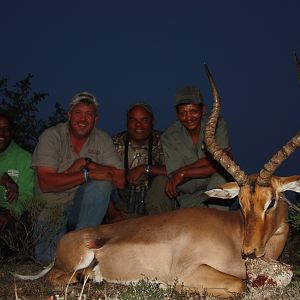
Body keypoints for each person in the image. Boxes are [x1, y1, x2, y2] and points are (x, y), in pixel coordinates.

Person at [32, 92, 124, 264]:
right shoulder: (51, 136)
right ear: (69, 115)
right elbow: (46, 184)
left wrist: (86, 163)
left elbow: (119, 180)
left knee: (102, 185)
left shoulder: (102, 139)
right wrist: (86, 174)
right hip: (52, 206)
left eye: (89, 114)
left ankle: (83, 245)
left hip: (81, 208)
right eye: (78, 113)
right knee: (48, 261)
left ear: (95, 119)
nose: (83, 119)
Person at [161, 85, 232, 209]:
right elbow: (174, 177)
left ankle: (219, 221)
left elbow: (224, 163)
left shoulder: (217, 124)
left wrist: (184, 173)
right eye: (183, 113)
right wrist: (210, 163)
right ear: (177, 114)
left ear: (203, 110)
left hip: (214, 190)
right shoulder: (169, 136)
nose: (188, 118)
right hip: (188, 198)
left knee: (220, 177)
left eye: (194, 111)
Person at [108, 102, 173, 221]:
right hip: (124, 206)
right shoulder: (114, 143)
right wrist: (114, 213)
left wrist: (145, 168)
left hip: (157, 206)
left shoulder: (164, 141)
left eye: (144, 120)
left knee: (162, 181)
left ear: (152, 121)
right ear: (127, 122)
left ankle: (158, 225)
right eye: (133, 120)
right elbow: (100, 178)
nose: (139, 126)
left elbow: (177, 169)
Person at [0, 110, 34, 256]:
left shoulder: (24, 158)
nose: (1, 133)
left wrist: (9, 213)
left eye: (6, 129)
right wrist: (3, 178)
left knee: (15, 226)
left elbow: (27, 195)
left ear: (12, 132)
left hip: (11, 212)